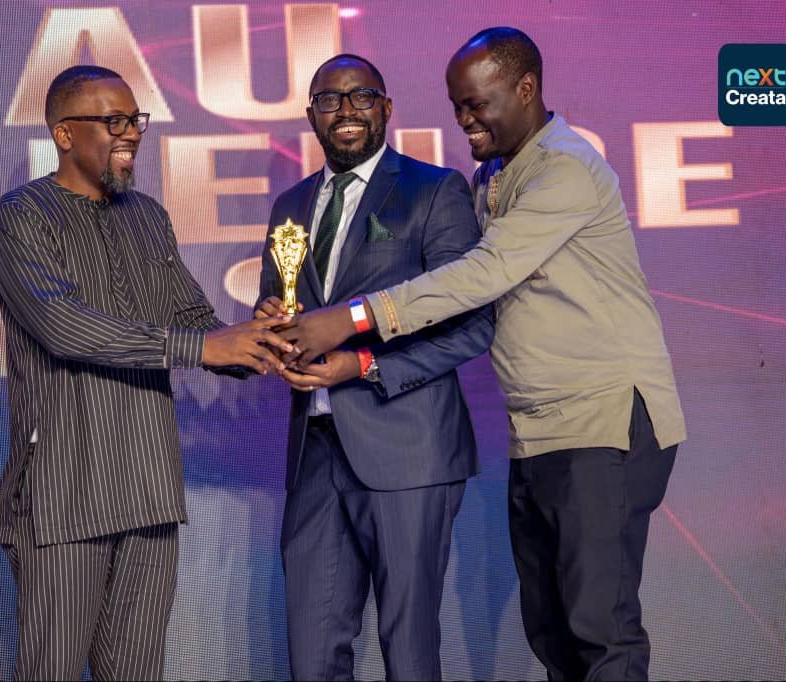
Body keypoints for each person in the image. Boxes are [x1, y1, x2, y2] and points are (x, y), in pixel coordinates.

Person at [280, 29, 687, 682]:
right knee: (553, 631)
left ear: (526, 89)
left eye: (477, 105)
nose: (465, 120)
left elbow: (481, 275)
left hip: (603, 423)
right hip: (540, 431)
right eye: (457, 107)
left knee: (600, 632)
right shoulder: (491, 176)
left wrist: (352, 321)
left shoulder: (564, 168)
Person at [0, 65, 292, 681]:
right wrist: (203, 348)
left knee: (136, 672)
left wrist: (259, 339)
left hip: (149, 486)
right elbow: (64, 328)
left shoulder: (147, 216)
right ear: (64, 134)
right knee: (50, 670)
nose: (130, 133)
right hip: (64, 492)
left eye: (135, 120)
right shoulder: (22, 215)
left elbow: (194, 322)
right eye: (113, 121)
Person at [254, 54, 495, 681]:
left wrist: (360, 364)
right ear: (311, 115)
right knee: (311, 658)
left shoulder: (432, 190)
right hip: (315, 452)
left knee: (408, 653)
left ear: (386, 108)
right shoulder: (290, 205)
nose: (346, 110)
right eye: (329, 100)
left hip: (409, 448)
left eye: (361, 96)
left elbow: (471, 324)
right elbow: (279, 304)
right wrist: (269, 326)